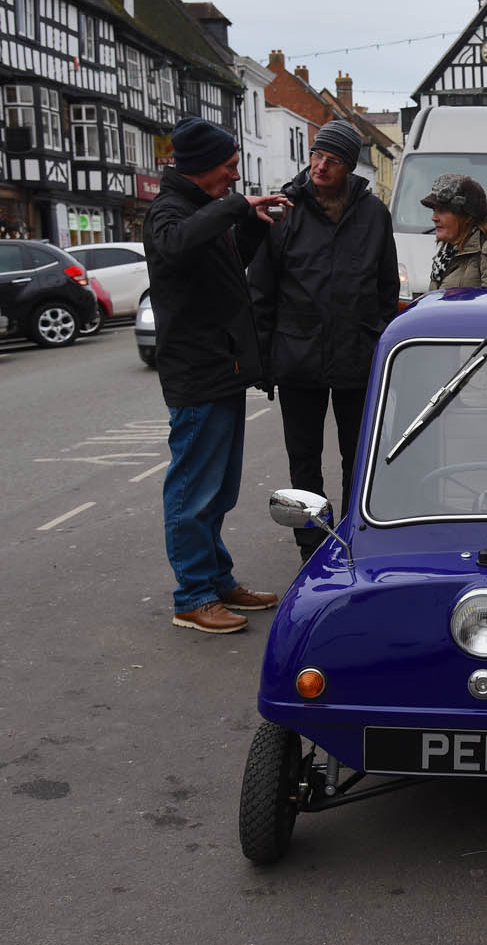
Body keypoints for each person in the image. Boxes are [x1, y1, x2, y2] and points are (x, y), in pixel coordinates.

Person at [144, 117, 290, 634]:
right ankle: (192, 596)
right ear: (204, 168)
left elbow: (224, 268)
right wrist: (233, 208)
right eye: (228, 168)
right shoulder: (169, 211)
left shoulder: (203, 209)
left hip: (222, 369)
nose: (234, 177)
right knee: (193, 490)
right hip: (196, 372)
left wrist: (251, 225)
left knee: (220, 488)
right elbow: (177, 246)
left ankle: (217, 580)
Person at [250, 120, 399, 563]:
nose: (319, 166)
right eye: (316, 156)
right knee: (304, 460)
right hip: (298, 356)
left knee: (359, 458)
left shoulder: (374, 214)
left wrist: (379, 340)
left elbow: (386, 287)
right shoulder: (284, 209)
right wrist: (265, 362)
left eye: (331, 160)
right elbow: (262, 289)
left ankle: (355, 537)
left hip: (358, 356)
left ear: (349, 166)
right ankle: (313, 549)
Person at [424, 173, 487, 290]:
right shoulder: (447, 253)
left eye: (442, 210)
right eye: (434, 210)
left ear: (467, 216)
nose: (434, 218)